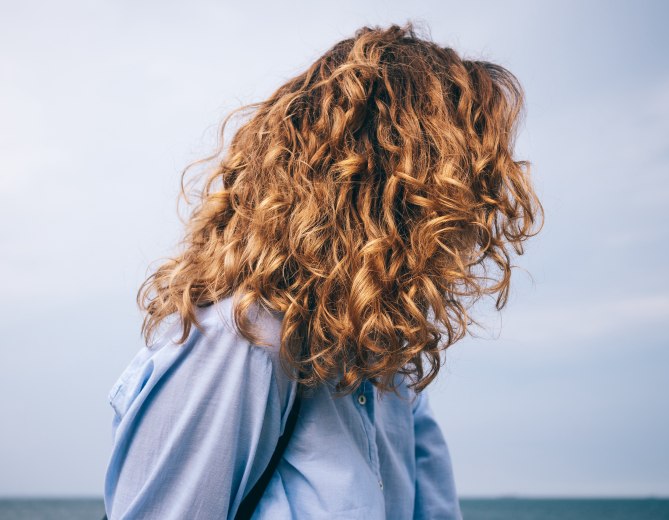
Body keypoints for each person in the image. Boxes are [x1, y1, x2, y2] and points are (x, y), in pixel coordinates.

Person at [103, 21, 544, 519]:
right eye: (459, 181)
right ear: (390, 187)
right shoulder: (244, 340)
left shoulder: (389, 374)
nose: (476, 209)